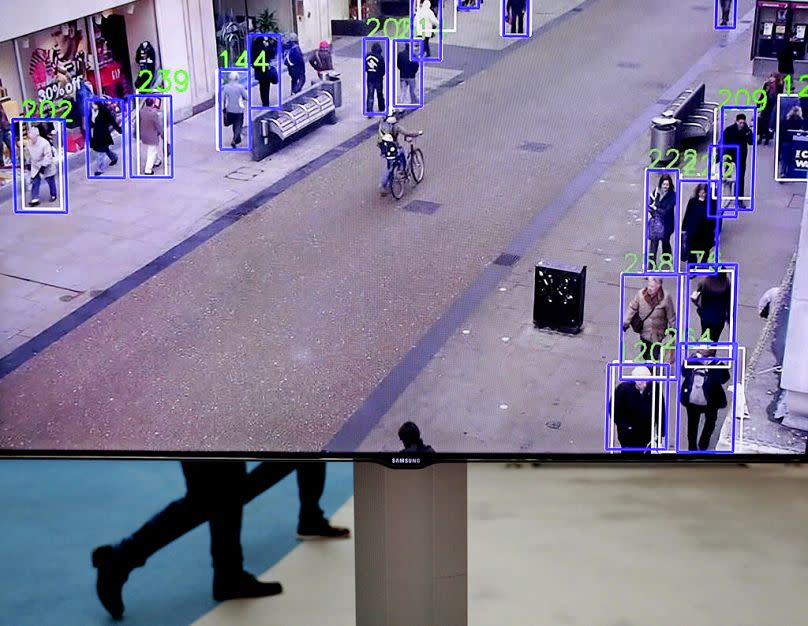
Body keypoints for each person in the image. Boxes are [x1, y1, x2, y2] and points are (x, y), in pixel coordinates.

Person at [91, 461, 349, 619]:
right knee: (213, 495)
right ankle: (119, 559)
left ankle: (230, 575)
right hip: (208, 404)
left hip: (206, 402)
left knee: (219, 492)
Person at [680, 350, 731, 451]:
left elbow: (684, 372)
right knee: (705, 422)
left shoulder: (697, 361)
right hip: (705, 400)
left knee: (697, 424)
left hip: (700, 400)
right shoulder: (714, 363)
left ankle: (697, 445)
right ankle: (700, 444)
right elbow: (725, 378)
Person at [622, 276, 677, 363]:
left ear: (658, 286)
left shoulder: (666, 298)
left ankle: (650, 371)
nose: (650, 288)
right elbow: (632, 308)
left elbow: (671, 316)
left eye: (652, 286)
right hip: (644, 332)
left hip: (658, 334)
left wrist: (673, 330)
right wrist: (625, 322)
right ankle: (647, 365)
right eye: (649, 285)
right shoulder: (640, 294)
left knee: (653, 356)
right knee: (645, 353)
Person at [613, 366, 658, 451]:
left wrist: (660, 431)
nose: (644, 384)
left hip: (646, 434)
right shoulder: (623, 390)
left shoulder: (653, 390)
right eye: (641, 381)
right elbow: (615, 410)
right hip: (627, 435)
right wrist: (625, 426)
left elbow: (659, 410)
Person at [377, 114, 421, 195]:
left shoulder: (382, 124)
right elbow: (406, 133)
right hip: (393, 147)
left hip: (384, 147)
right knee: (402, 153)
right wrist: (417, 133)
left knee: (389, 165)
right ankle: (401, 171)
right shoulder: (396, 126)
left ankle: (385, 185)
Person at [721, 113, 753, 207]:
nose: (742, 125)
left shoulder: (746, 130)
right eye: (740, 123)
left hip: (741, 157)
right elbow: (723, 142)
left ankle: (739, 199)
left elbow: (751, 142)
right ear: (736, 121)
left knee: (740, 177)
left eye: (743, 123)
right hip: (730, 156)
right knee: (727, 177)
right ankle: (726, 196)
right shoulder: (729, 130)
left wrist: (748, 132)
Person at [691, 272, 732, 342]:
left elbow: (697, 294)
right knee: (715, 338)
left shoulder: (705, 282)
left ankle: (703, 346)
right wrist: (729, 318)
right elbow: (729, 301)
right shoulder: (726, 284)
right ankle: (712, 350)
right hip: (719, 317)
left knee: (705, 332)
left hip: (706, 315)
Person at [681, 184, 715, 265]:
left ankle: (702, 265)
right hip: (693, 230)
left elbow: (714, 217)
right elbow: (688, 213)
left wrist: (714, 229)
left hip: (705, 232)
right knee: (691, 251)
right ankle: (692, 268)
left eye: (704, 193)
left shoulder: (711, 202)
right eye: (701, 193)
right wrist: (684, 228)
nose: (703, 195)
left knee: (704, 250)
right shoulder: (693, 201)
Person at [647, 174, 676, 263]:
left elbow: (667, 210)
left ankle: (667, 258)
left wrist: (655, 209)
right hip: (656, 222)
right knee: (653, 244)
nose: (665, 187)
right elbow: (650, 205)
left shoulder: (673, 195)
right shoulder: (656, 192)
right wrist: (653, 211)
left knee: (665, 242)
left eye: (667, 185)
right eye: (664, 184)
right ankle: (651, 265)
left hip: (667, 224)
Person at [26, 126, 58, 206]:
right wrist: (28, 163)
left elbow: (48, 156)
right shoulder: (29, 143)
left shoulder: (44, 143)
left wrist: (43, 166)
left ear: (37, 136)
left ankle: (53, 194)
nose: (31, 139)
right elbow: (28, 154)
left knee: (50, 180)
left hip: (46, 164)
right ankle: (34, 199)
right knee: (35, 181)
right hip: (35, 164)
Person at [89, 101, 121, 176]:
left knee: (100, 152)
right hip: (96, 135)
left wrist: (119, 130)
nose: (92, 106)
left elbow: (112, 121)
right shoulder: (92, 113)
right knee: (105, 150)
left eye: (93, 104)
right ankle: (114, 157)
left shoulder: (104, 112)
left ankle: (101, 169)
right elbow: (91, 125)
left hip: (103, 135)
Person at [222, 71, 249, 148]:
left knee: (234, 124)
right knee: (238, 125)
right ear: (237, 78)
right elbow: (247, 97)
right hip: (238, 110)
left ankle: (238, 138)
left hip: (229, 110)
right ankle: (234, 139)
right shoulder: (240, 87)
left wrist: (224, 108)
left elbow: (223, 99)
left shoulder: (226, 87)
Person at [251, 35, 279, 106]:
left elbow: (271, 55)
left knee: (264, 86)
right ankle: (265, 102)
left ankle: (265, 102)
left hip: (262, 69)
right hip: (262, 69)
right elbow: (270, 55)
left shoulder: (256, 47)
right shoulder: (260, 47)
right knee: (265, 86)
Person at [138, 98, 163, 175]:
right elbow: (158, 126)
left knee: (153, 150)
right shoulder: (153, 114)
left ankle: (157, 161)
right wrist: (162, 134)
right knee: (152, 152)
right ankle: (148, 170)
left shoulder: (141, 112)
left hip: (144, 135)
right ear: (153, 104)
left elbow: (137, 123)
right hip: (152, 136)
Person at [365, 41, 386, 113]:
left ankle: (369, 110)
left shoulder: (368, 56)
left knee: (370, 94)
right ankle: (381, 107)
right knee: (379, 94)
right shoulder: (380, 57)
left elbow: (365, 67)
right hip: (378, 78)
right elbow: (383, 70)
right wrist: (381, 75)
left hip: (370, 78)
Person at [0, 104, 12, 168]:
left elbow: (4, 117)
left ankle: (13, 161)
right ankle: (1, 164)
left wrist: (8, 126)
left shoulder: (1, 106)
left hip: (5, 128)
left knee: (10, 145)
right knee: (0, 147)